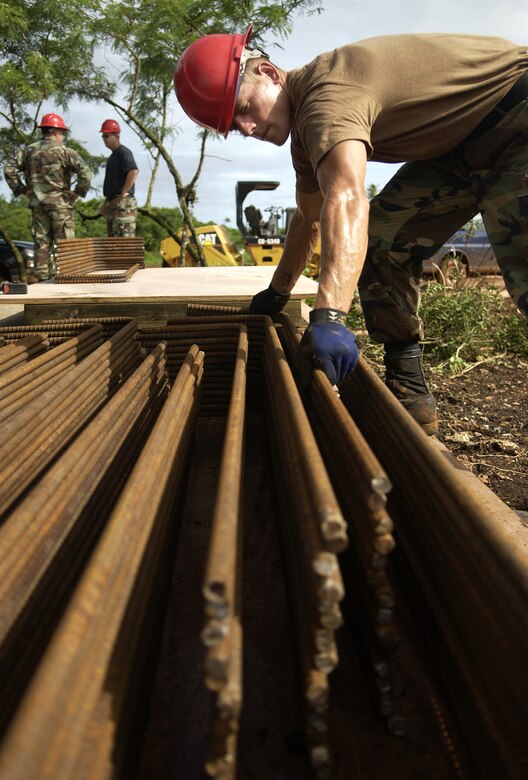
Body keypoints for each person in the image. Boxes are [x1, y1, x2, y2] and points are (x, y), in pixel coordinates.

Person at [174, 25, 528, 435]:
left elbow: (346, 197)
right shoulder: (305, 142)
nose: (248, 129)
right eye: (234, 127)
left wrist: (329, 317)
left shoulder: (324, 97)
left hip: (514, 110)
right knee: (382, 237)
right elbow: (310, 218)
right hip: (459, 145)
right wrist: (278, 291)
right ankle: (410, 390)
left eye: (244, 108)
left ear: (269, 73)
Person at [4, 113, 92, 281]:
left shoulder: (28, 151)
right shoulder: (65, 151)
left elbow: (9, 169)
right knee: (64, 245)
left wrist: (23, 190)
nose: (63, 136)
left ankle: (43, 282)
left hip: (37, 204)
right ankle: (66, 280)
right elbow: (86, 173)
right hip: (60, 204)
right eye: (63, 133)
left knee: (41, 244)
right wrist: (77, 193)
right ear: (57, 132)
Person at [99, 119, 139, 237]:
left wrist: (124, 192)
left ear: (116, 136)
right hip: (113, 204)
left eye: (106, 136)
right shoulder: (113, 156)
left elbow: (133, 171)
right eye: (103, 136)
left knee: (124, 244)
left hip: (124, 204)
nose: (104, 139)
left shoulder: (124, 153)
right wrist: (106, 203)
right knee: (113, 245)